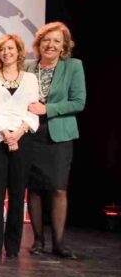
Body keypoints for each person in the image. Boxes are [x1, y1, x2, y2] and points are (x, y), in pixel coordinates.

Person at [25, 22, 86, 259]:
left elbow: (78, 102)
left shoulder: (73, 67)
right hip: (31, 134)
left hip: (59, 134)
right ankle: (38, 241)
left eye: (56, 41)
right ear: (39, 44)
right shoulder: (28, 67)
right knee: (35, 189)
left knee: (58, 188)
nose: (50, 45)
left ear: (64, 46)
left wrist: (47, 108)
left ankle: (59, 243)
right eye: (46, 40)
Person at [0, 34, 39, 258]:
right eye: (3, 49)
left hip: (23, 139)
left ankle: (13, 247)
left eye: (11, 49)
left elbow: (33, 109)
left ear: (18, 52)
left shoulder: (30, 79)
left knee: (17, 194)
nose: (7, 52)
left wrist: (18, 133)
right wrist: (7, 134)